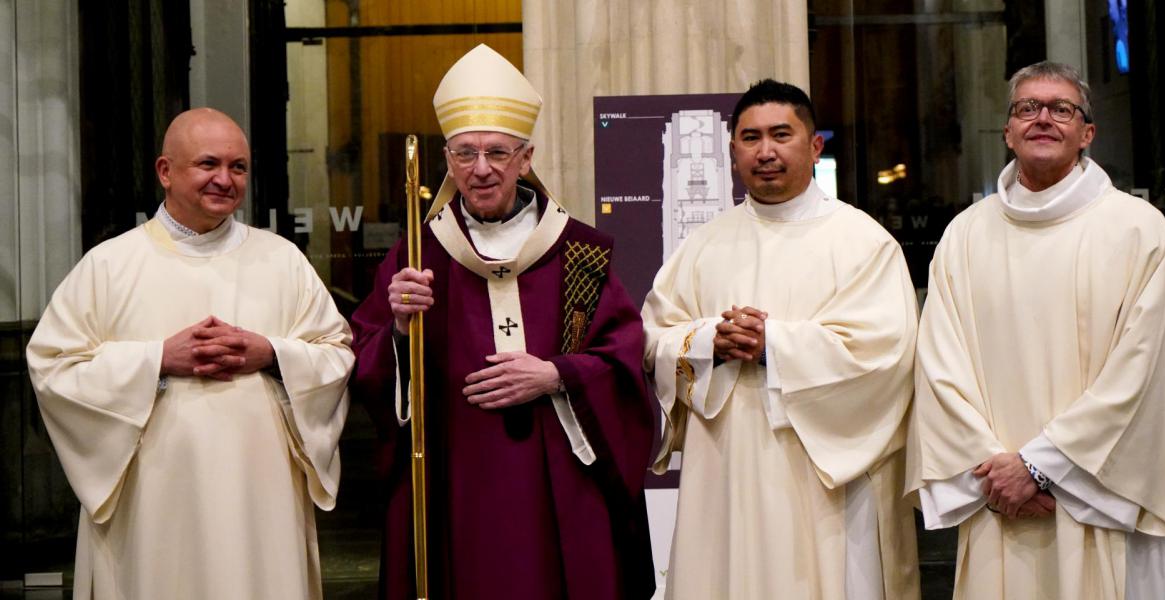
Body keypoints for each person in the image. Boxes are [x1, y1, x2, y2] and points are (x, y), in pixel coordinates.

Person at [905, 61, 1165, 599]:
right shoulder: (965, 236)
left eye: (1061, 109)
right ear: (1007, 131)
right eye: (1027, 108)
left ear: (1087, 133)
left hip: (1110, 498)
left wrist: (1038, 466)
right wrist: (998, 475)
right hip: (998, 496)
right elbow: (939, 366)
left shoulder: (1137, 229)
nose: (1043, 119)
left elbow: (1148, 372)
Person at [350, 44, 655, 600]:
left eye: (497, 152)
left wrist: (557, 376)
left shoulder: (579, 253)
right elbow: (363, 359)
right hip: (455, 478)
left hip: (560, 482)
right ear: (447, 159)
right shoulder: (418, 256)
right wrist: (397, 327)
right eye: (466, 153)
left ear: (526, 157)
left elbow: (624, 356)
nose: (482, 169)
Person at [26, 108, 354, 599]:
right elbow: (53, 368)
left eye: (238, 167)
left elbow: (336, 352)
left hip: (257, 498)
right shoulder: (110, 265)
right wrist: (157, 360)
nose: (225, 179)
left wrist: (271, 353)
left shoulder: (282, 259)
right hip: (154, 503)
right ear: (166, 171)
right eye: (208, 164)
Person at [642, 79, 920, 599]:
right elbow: (655, 337)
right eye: (750, 138)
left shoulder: (862, 241)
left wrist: (774, 345)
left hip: (827, 477)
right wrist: (709, 340)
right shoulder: (705, 244)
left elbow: (887, 355)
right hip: (724, 471)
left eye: (780, 135)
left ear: (814, 146)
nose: (765, 151)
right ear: (732, 150)